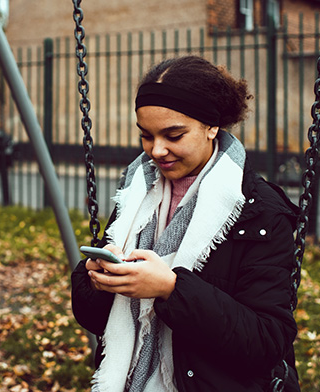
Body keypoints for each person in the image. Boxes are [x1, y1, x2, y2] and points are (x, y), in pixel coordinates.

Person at [71, 55, 301, 392]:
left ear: (212, 126)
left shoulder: (261, 212)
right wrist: (97, 280)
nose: (157, 150)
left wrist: (170, 290)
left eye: (174, 135)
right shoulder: (136, 194)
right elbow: (92, 319)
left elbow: (267, 341)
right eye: (146, 136)